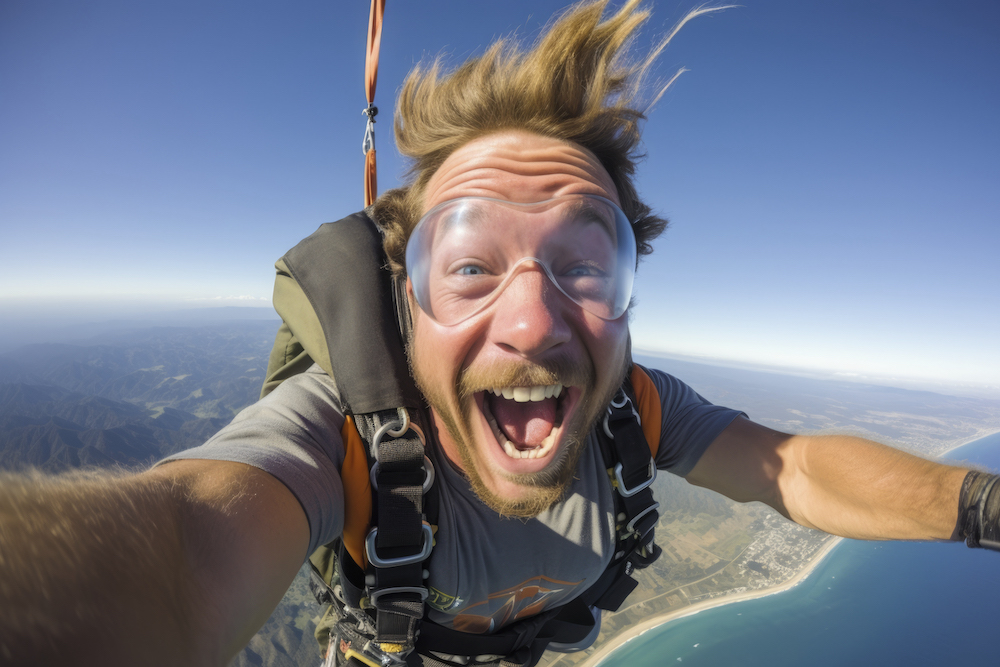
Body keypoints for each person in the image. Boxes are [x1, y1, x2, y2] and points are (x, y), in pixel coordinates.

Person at [1, 2, 997, 666]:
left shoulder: (634, 410)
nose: (531, 322)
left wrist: (987, 507)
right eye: (470, 267)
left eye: (582, 263)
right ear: (405, 302)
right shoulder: (339, 438)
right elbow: (180, 549)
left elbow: (794, 468)